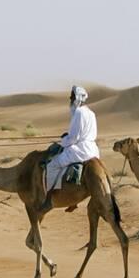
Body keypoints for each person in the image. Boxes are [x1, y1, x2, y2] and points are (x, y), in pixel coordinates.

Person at [39, 85, 100, 213]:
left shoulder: (79, 112)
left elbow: (74, 138)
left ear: (77, 98)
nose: (70, 99)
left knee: (52, 165)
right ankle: (73, 200)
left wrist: (64, 140)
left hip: (80, 151)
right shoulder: (91, 113)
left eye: (72, 97)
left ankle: (48, 199)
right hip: (93, 150)